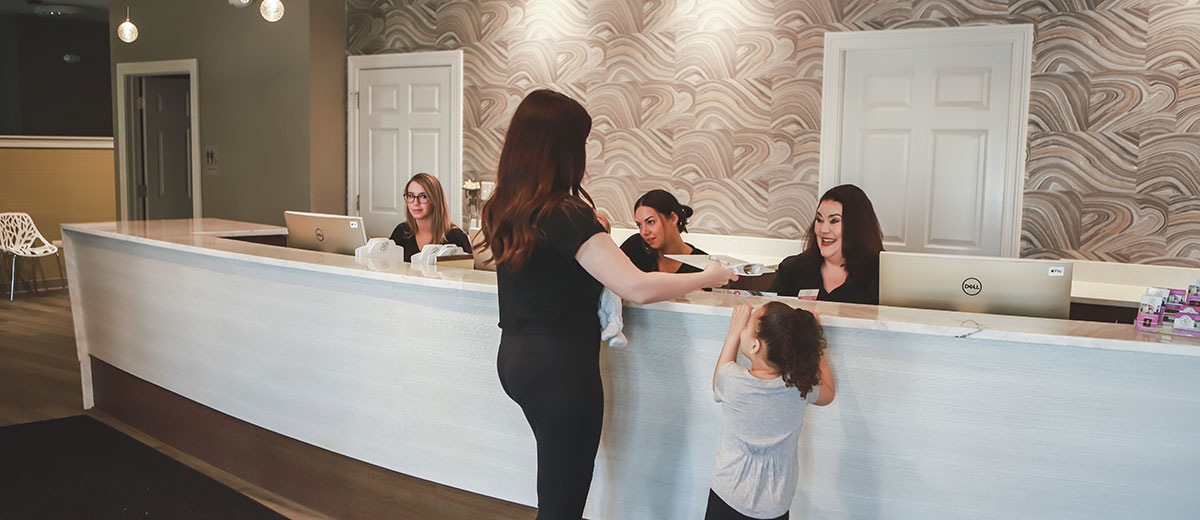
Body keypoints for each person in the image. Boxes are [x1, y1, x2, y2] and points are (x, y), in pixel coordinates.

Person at [480, 89, 737, 519]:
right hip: (561, 371)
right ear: (562, 148)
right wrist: (711, 275)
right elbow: (635, 286)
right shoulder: (565, 213)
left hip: (516, 361)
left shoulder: (506, 207)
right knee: (562, 506)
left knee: (554, 491)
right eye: (580, 143)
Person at [707, 302, 835, 520]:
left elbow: (718, 381)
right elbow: (828, 394)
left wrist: (733, 333)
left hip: (728, 492)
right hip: (775, 503)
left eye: (748, 325)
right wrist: (815, 347)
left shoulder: (731, 379)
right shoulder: (800, 386)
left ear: (754, 346)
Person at [769, 184, 884, 304]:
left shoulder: (881, 276)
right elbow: (768, 317)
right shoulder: (792, 270)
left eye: (834, 221)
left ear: (857, 227)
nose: (823, 229)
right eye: (819, 219)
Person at [388, 173, 473, 262]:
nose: (415, 203)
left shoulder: (455, 237)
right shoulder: (401, 232)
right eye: (411, 196)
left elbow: (469, 273)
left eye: (423, 196)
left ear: (435, 200)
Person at [619, 189, 707, 273]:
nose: (644, 232)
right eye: (639, 225)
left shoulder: (704, 264)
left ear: (673, 218)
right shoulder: (635, 247)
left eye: (651, 222)